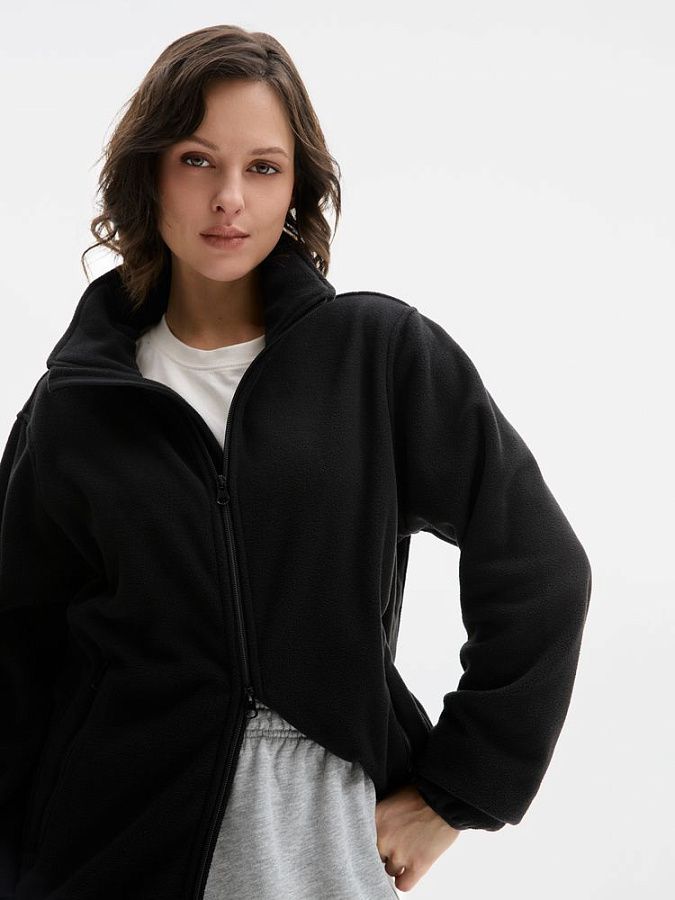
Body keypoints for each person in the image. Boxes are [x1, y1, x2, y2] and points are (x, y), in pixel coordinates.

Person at [0, 24, 592, 900]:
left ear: (296, 187)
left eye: (263, 167)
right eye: (197, 161)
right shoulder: (76, 405)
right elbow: (17, 658)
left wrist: (455, 792)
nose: (229, 198)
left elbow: (541, 570)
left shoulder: (378, 358)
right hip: (107, 847)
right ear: (149, 173)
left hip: (317, 840)